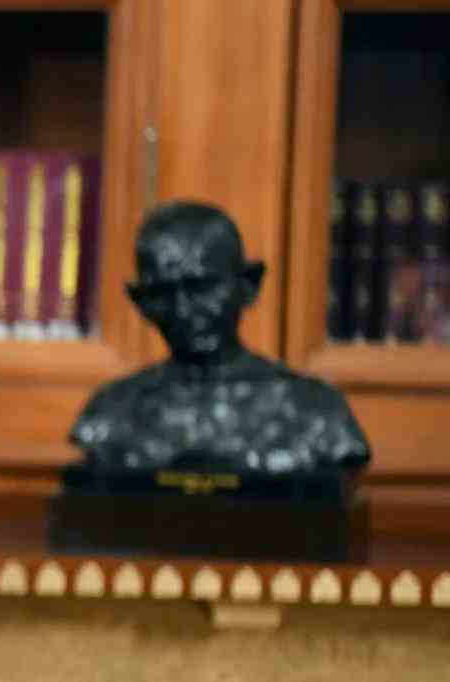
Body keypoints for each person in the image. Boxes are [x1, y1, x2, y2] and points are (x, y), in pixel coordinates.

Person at [69, 200, 371, 476]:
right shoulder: (110, 413)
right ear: (141, 302)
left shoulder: (317, 412)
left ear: (248, 286)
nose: (183, 310)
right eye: (162, 293)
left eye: (202, 288)